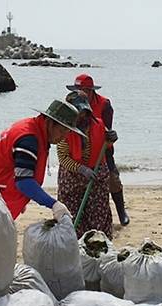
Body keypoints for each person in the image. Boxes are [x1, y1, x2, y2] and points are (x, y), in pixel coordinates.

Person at [0, 99, 85, 221]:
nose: (63, 137)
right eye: (61, 131)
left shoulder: (33, 128)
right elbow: (24, 182)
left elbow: (16, 169)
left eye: (67, 133)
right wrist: (54, 204)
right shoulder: (28, 139)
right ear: (50, 123)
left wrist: (21, 199)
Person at [66, 73, 130, 226]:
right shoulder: (72, 101)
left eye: (83, 90)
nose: (80, 92)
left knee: (112, 179)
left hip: (102, 148)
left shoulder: (104, 104)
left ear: (91, 90)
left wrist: (110, 136)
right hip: (78, 148)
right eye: (78, 89)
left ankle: (121, 212)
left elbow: (106, 128)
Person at [57, 90, 116, 239]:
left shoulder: (98, 124)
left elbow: (105, 146)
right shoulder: (62, 129)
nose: (82, 116)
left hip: (97, 176)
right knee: (72, 218)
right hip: (72, 178)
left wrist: (110, 140)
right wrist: (81, 169)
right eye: (78, 112)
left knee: (98, 219)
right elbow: (63, 158)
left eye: (84, 112)